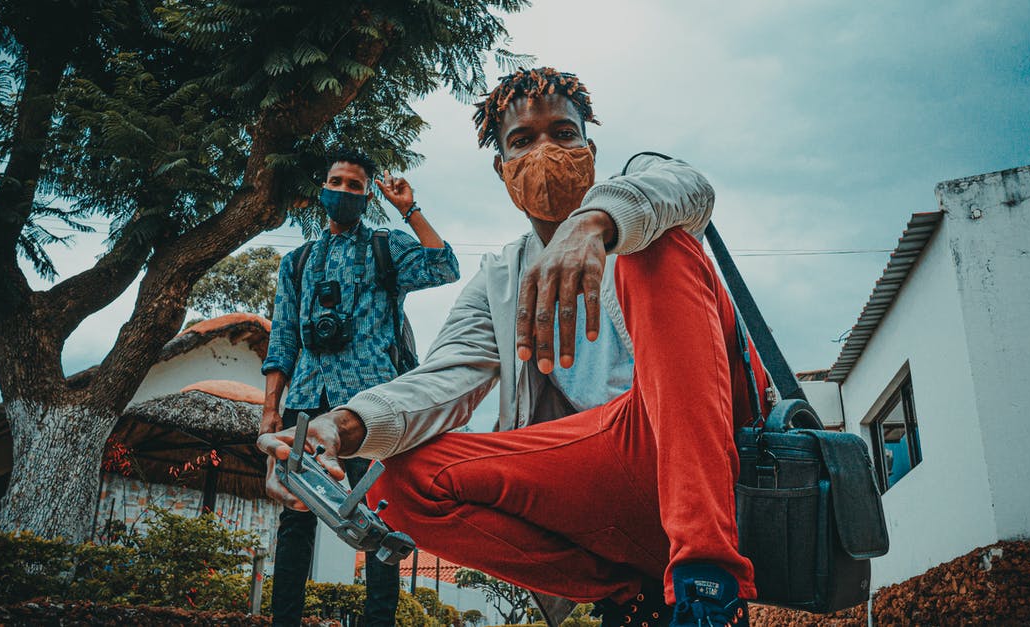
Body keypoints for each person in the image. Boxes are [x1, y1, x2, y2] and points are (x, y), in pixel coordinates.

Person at [259, 68, 770, 627]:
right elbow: (442, 379)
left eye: (564, 134)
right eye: (522, 141)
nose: (546, 151)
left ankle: (709, 585)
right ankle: (627, 592)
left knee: (663, 248)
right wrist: (340, 425)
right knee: (397, 482)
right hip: (612, 456)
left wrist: (597, 222)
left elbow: (688, 185)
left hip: (715, 433)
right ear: (502, 168)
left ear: (591, 150)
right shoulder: (500, 279)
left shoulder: (638, 198)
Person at [259, 147, 460, 627]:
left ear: (367, 194)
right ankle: (283, 620)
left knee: (377, 522)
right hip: (307, 403)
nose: (344, 191)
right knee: (295, 520)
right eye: (337, 182)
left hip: (372, 408)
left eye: (354, 185)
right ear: (323, 188)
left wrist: (408, 209)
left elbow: (444, 266)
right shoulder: (298, 262)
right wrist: (271, 409)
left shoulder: (384, 247)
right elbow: (283, 336)